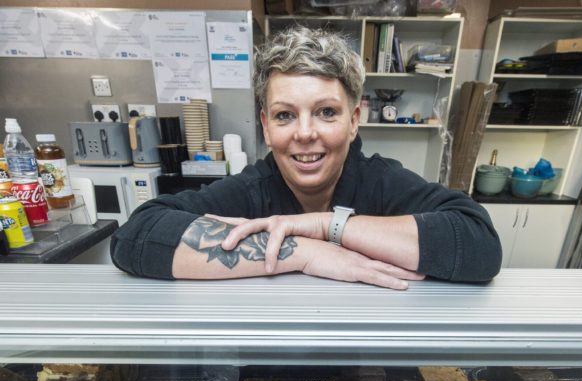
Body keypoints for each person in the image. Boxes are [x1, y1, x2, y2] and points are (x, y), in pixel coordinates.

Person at [111, 27, 501, 290]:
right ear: (266, 128)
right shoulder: (252, 189)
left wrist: (325, 226)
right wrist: (305, 252)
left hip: (368, 372)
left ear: (354, 121)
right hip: (265, 373)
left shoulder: (381, 181)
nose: (304, 133)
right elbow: (136, 237)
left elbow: (479, 245)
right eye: (285, 115)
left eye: (326, 112)